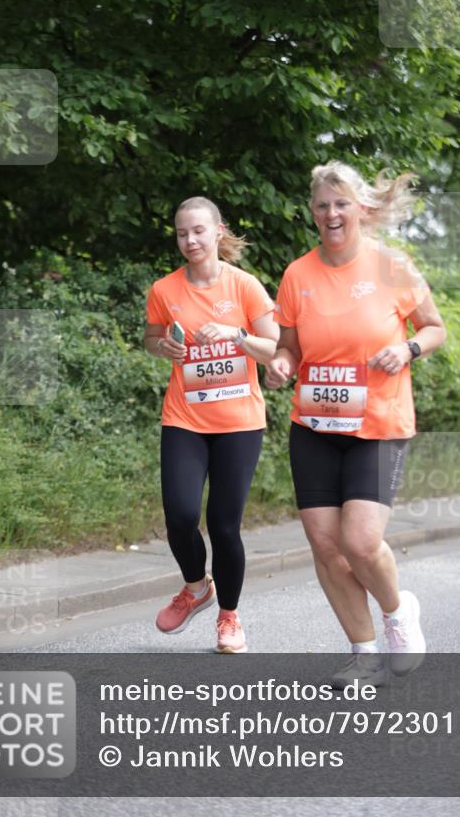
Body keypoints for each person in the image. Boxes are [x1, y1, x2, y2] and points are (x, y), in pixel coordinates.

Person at [265, 161, 446, 687]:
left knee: (361, 542)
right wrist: (281, 364)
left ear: (361, 209)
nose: (332, 213)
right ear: (312, 212)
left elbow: (434, 328)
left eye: (341, 203)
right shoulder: (298, 275)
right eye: (322, 205)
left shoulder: (392, 265)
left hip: (380, 424)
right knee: (326, 545)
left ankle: (398, 611)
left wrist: (407, 349)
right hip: (315, 426)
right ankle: (364, 655)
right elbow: (289, 347)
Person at [144, 196, 278, 652]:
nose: (190, 240)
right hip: (184, 417)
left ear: (218, 231)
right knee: (181, 515)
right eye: (182, 233)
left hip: (239, 422)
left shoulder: (244, 286)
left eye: (198, 231)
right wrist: (162, 347)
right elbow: (151, 337)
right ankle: (197, 587)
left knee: (223, 525)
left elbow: (274, 348)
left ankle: (229, 617)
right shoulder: (165, 289)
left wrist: (237, 336)